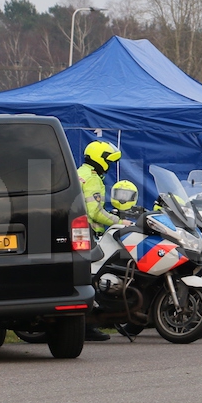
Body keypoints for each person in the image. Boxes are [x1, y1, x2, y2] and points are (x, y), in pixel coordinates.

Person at [77, 140, 122, 340]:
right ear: (100, 160)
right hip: (90, 234)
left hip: (79, 232)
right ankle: (87, 326)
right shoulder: (93, 179)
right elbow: (94, 212)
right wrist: (120, 221)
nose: (110, 166)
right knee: (95, 277)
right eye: (108, 161)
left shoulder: (80, 172)